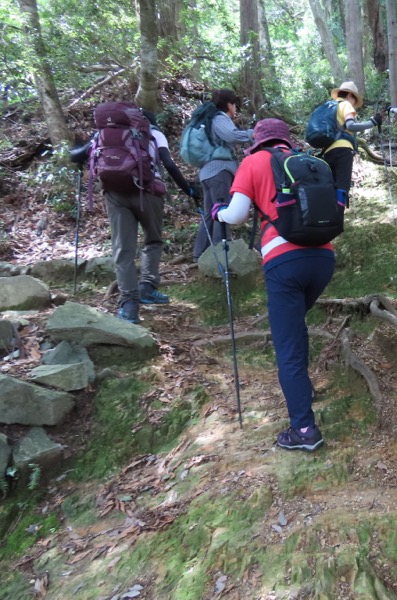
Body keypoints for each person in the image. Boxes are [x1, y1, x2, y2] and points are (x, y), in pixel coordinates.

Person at [212, 119, 335, 452]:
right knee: (295, 331)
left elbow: (236, 215)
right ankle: (303, 392)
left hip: (285, 262)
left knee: (288, 348)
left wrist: (219, 213)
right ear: (285, 139)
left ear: (257, 141)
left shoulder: (253, 162)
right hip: (323, 259)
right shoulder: (307, 162)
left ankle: (305, 430)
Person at [70, 108, 199, 324]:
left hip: (115, 194)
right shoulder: (154, 133)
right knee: (153, 240)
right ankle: (147, 287)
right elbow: (168, 163)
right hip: (148, 192)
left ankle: (129, 305)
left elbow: (76, 157)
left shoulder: (103, 134)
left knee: (123, 249)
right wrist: (189, 190)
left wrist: (78, 148)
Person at [192, 89, 254, 262]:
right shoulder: (219, 118)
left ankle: (200, 254)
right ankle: (222, 252)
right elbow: (231, 135)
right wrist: (252, 134)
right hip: (219, 171)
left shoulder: (209, 119)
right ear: (229, 104)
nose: (235, 109)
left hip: (208, 172)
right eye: (235, 105)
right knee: (222, 210)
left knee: (210, 213)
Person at [322, 81, 383, 203]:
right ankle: (339, 218)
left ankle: (330, 217)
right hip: (343, 149)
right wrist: (372, 123)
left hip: (326, 150)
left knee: (331, 185)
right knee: (342, 186)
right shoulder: (345, 104)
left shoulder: (329, 107)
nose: (354, 104)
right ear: (350, 96)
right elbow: (350, 126)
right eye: (355, 99)